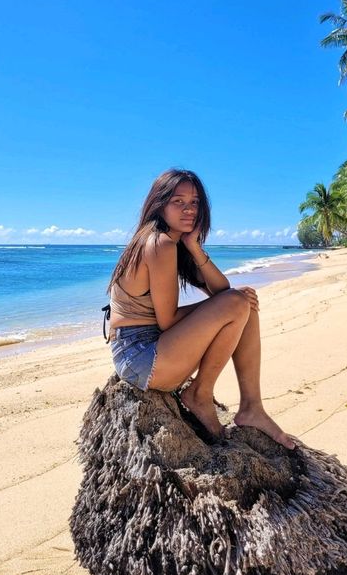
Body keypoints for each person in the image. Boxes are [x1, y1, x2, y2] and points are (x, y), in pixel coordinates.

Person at [105, 168, 296, 450]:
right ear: (159, 204)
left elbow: (221, 290)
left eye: (194, 202)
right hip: (139, 355)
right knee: (237, 302)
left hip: (152, 348)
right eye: (178, 202)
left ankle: (252, 407)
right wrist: (225, 305)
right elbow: (169, 320)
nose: (188, 210)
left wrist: (194, 247)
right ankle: (200, 394)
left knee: (244, 304)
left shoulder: (174, 243)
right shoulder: (159, 243)